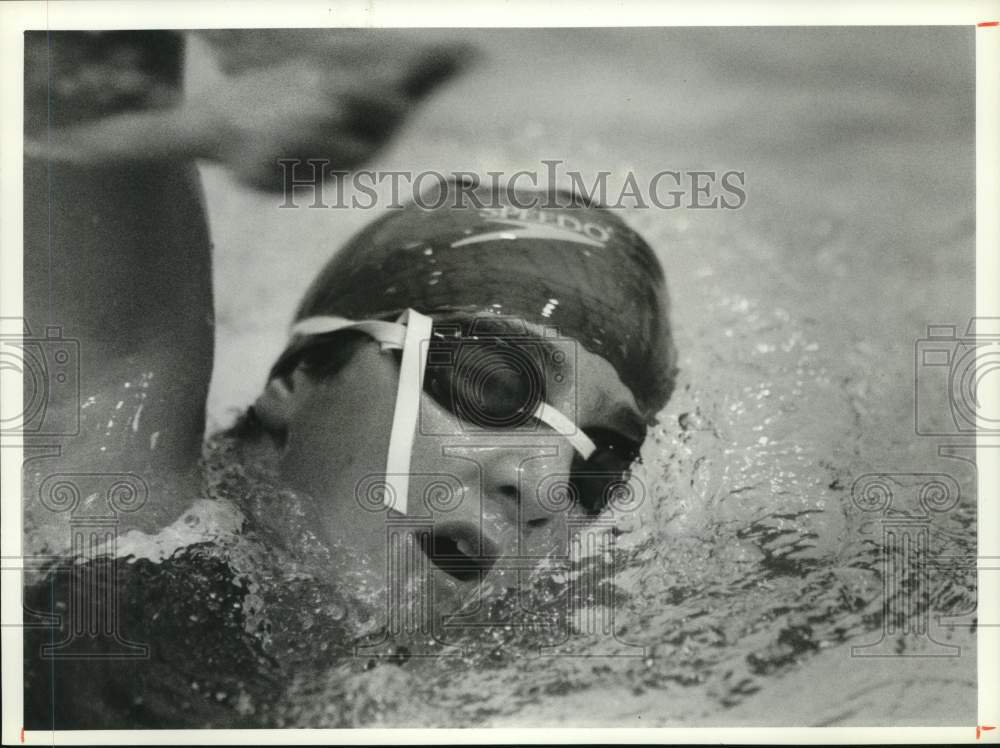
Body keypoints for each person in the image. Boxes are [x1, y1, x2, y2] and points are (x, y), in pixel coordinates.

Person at [21, 32, 677, 729]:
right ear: (296, 379)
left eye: (600, 461)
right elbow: (55, 85)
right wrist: (163, 111)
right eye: (492, 385)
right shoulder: (114, 501)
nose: (544, 485)